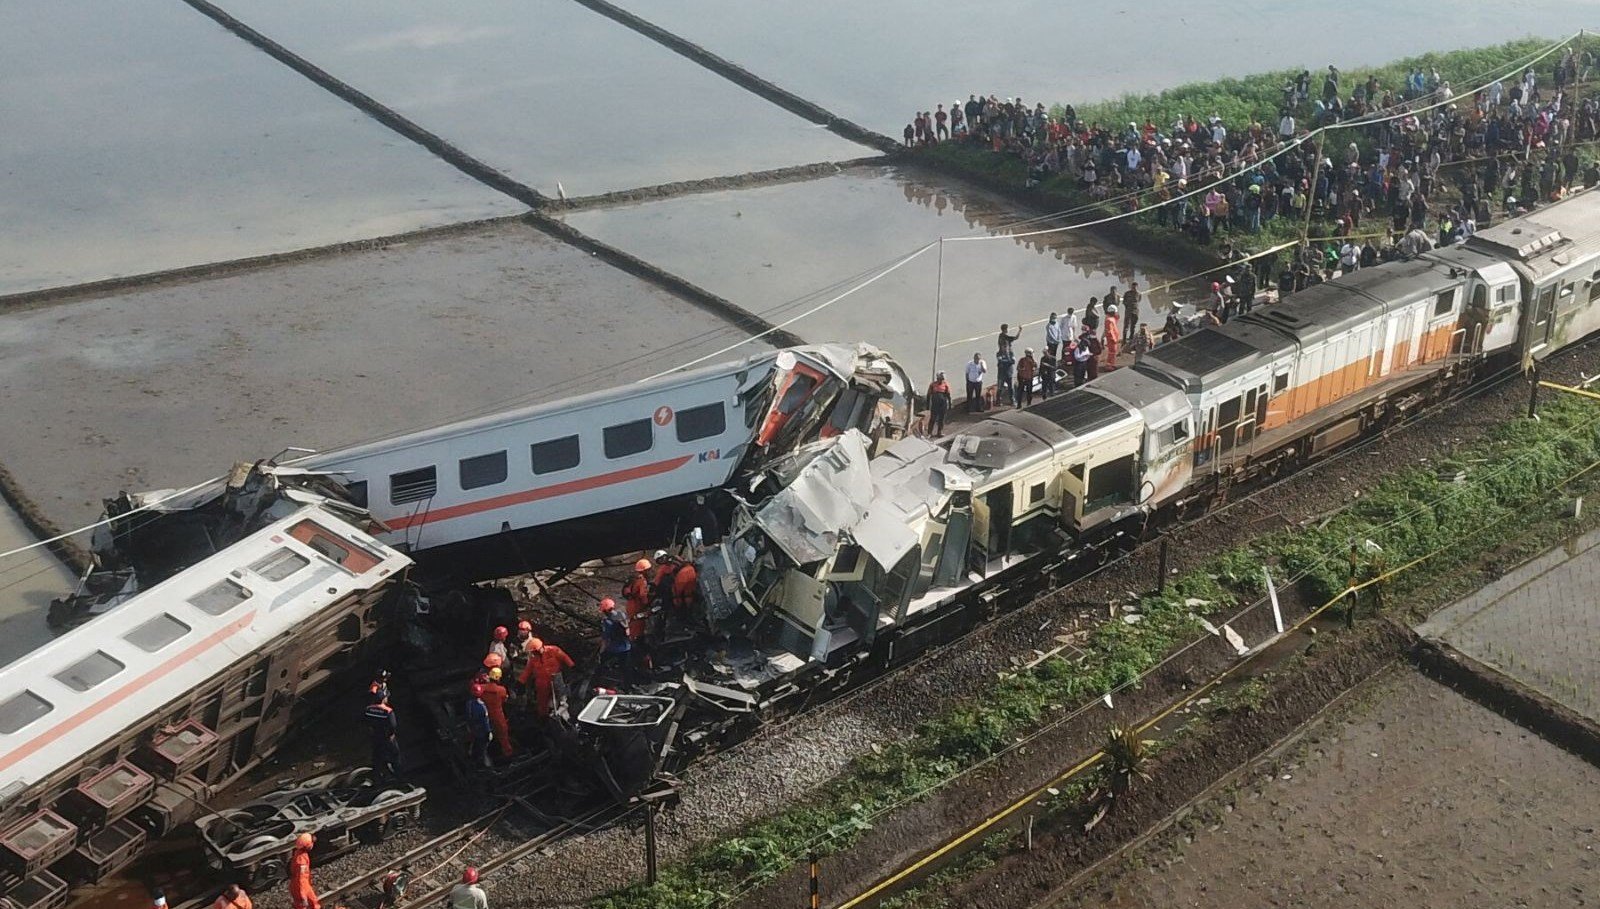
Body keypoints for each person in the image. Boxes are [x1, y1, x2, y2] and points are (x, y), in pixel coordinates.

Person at [518, 637, 576, 720]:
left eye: (534, 652)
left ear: (538, 649)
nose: (533, 654)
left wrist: (572, 666)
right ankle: (543, 718)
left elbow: (564, 657)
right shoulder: (533, 659)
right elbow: (527, 670)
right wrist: (521, 682)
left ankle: (564, 716)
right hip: (541, 682)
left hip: (556, 679)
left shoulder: (554, 650)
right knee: (542, 701)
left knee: (562, 697)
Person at [363, 691, 400, 781]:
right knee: (394, 755)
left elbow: (364, 721)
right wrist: (391, 735)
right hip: (386, 736)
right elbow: (393, 725)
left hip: (375, 736)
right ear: (383, 699)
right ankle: (398, 776)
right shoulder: (388, 711)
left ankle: (378, 775)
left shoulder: (368, 709)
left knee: (377, 755)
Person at [597, 598, 632, 686]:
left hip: (614, 648)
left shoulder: (607, 622)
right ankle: (627, 684)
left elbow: (606, 639)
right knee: (625, 668)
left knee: (602, 663)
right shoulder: (622, 614)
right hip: (627, 646)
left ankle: (600, 682)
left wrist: (600, 652)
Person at [480, 669, 513, 759]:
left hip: (485, 715)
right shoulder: (501, 690)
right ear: (498, 679)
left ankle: (485, 755)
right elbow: (504, 700)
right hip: (498, 715)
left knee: (485, 735)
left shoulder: (482, 688)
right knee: (503, 734)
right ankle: (508, 754)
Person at [623, 559, 652, 642]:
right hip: (637, 605)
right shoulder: (642, 581)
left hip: (630, 604)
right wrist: (647, 604)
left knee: (632, 624)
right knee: (639, 627)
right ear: (645, 570)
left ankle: (633, 640)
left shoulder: (634, 578)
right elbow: (643, 595)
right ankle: (637, 645)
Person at [288, 833, 319, 909]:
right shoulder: (302, 862)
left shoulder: (298, 853)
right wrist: (303, 896)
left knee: (313, 902)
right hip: (300, 887)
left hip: (300, 884)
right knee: (303, 905)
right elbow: (301, 880)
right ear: (308, 846)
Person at [465, 684, 492, 768]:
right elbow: (485, 721)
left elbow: (468, 716)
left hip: (473, 728)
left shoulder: (469, 704)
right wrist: (489, 732)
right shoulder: (482, 707)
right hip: (482, 731)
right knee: (482, 746)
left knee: (474, 741)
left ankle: (471, 754)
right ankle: (484, 761)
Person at [925, 372, 951, 437]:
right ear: (937, 378)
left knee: (941, 419)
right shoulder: (933, 385)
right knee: (933, 418)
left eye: (942, 379)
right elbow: (928, 395)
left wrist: (950, 404)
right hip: (935, 404)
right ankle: (929, 433)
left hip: (943, 404)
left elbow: (948, 395)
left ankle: (939, 432)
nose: (941, 380)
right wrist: (927, 406)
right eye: (940, 379)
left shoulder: (945, 385)